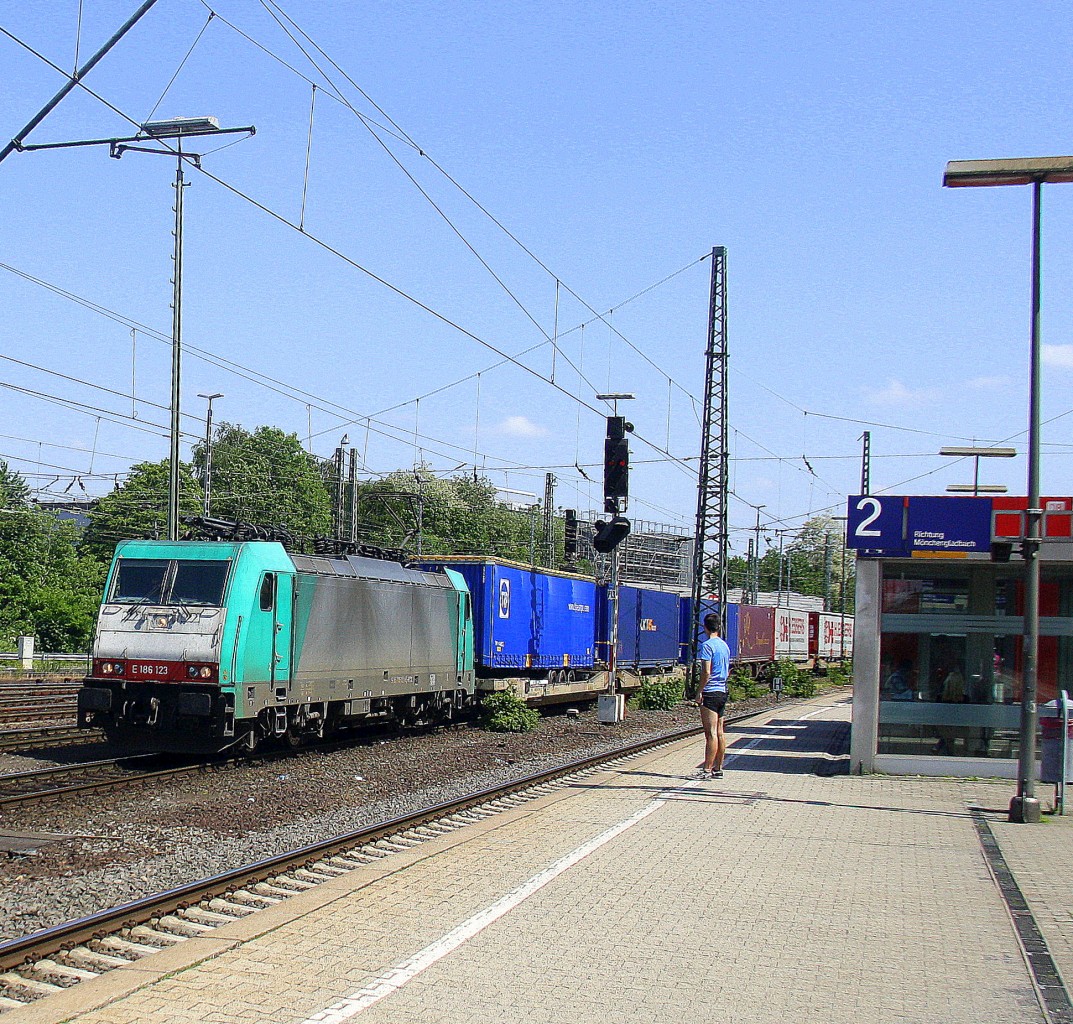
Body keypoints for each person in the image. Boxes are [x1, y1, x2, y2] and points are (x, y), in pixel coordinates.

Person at [694, 612, 731, 780]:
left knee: (710, 734)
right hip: (722, 691)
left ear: (705, 628)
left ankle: (707, 769)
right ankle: (719, 768)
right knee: (720, 732)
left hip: (710, 692)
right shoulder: (724, 646)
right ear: (719, 627)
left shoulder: (707, 646)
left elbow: (706, 672)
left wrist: (699, 691)